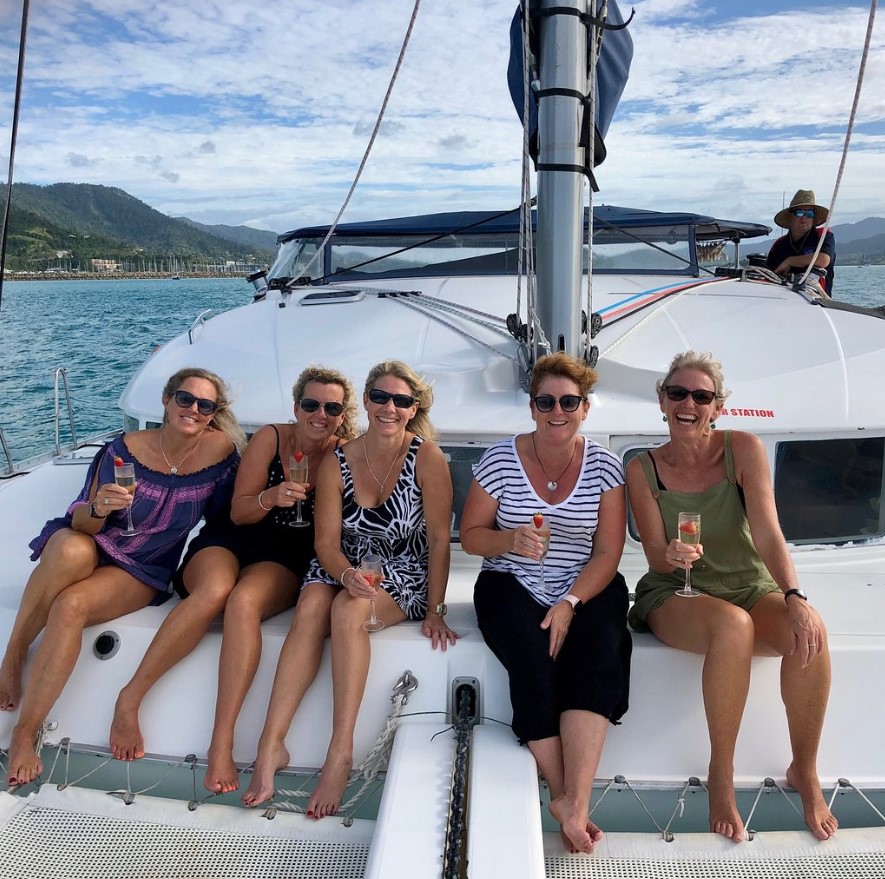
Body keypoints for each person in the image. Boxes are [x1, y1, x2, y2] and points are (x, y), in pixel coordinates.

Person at [109, 366, 359, 794]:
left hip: (285, 556)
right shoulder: (271, 438)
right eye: (311, 404)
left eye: (331, 408)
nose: (320, 414)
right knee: (215, 590)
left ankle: (220, 743)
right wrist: (271, 497)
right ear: (296, 407)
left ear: (342, 415)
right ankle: (129, 698)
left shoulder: (344, 454)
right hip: (232, 538)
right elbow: (240, 512)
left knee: (243, 603)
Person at [626, 350, 836, 843]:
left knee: (810, 629)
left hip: (748, 583)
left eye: (702, 396)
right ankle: (721, 774)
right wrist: (672, 554)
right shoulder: (642, 468)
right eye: (678, 393)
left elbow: (767, 531)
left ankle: (804, 770)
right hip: (676, 590)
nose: (689, 403)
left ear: (717, 407)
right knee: (732, 625)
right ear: (662, 401)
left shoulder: (743, 448)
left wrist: (794, 595)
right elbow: (655, 556)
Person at [0, 367, 242, 786]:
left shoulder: (221, 456)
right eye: (185, 399)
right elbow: (81, 522)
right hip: (93, 541)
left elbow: (226, 519)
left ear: (213, 413)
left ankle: (26, 730)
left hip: (142, 567)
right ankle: (14, 652)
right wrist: (99, 507)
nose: (194, 409)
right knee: (70, 549)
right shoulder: (122, 451)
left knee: (71, 605)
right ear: (166, 400)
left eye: (205, 405)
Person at [241, 360, 457, 815]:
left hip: (404, 569)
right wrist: (345, 575)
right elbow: (325, 543)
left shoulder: (427, 458)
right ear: (366, 401)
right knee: (311, 607)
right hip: (342, 564)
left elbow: (439, 540)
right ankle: (270, 745)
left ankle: (340, 752)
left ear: (413, 408)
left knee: (347, 611)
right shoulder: (337, 462)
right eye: (380, 397)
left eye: (400, 400)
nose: (389, 407)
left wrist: (436, 610)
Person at [460, 352, 631, 855]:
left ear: (585, 408)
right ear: (532, 407)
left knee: (599, 655)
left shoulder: (605, 466)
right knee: (531, 661)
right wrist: (509, 540)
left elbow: (608, 552)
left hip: (586, 584)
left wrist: (570, 602)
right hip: (509, 581)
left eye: (569, 402)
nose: (557, 411)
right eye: (546, 401)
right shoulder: (499, 461)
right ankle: (566, 799)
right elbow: (471, 536)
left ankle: (573, 800)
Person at [766, 189, 836, 296]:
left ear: (813, 218)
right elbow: (767, 274)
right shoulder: (779, 245)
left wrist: (790, 261)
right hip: (780, 299)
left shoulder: (823, 235)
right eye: (799, 213)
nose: (804, 217)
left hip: (816, 301)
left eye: (809, 214)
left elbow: (823, 259)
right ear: (790, 217)